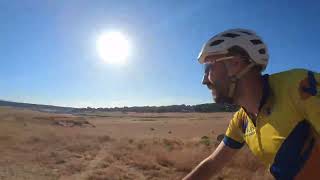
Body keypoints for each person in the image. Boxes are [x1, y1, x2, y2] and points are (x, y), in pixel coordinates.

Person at [183, 29, 320, 180]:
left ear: (235, 63)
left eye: (208, 68)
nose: (204, 80)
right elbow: (213, 164)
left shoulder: (300, 86)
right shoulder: (241, 121)